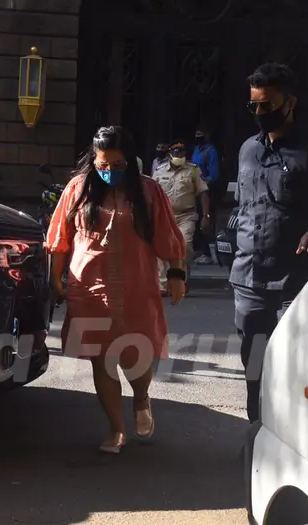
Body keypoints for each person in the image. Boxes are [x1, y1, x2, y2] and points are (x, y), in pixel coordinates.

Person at [45, 125, 187, 454]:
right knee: (102, 360)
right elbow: (59, 238)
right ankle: (116, 428)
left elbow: (168, 234)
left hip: (136, 285)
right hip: (88, 287)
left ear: (131, 162)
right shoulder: (77, 189)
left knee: (136, 355)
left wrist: (176, 273)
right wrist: (56, 278)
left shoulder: (149, 191)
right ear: (93, 161)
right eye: (103, 165)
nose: (110, 172)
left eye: (118, 165)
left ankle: (140, 398)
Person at [232, 62, 308, 423]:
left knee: (297, 362)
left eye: (268, 105)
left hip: (295, 280)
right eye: (254, 106)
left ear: (289, 101)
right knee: (256, 364)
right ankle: (256, 427)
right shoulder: (248, 149)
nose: (260, 113)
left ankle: (294, 434)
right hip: (250, 279)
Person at [153, 140, 210, 295]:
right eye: (176, 153)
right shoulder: (159, 171)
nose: (179, 155)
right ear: (170, 154)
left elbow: (203, 193)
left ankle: (181, 280)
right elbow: (153, 194)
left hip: (186, 215)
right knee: (162, 249)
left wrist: (206, 215)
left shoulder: (193, 170)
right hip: (165, 215)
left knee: (184, 246)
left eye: (182, 153)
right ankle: (164, 285)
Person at [191, 126, 220, 265]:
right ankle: (199, 250)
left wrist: (202, 182)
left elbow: (213, 175)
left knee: (206, 220)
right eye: (196, 134)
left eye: (200, 134)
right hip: (195, 189)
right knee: (195, 220)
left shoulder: (211, 151)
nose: (198, 137)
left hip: (207, 191)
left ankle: (208, 253)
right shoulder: (197, 150)